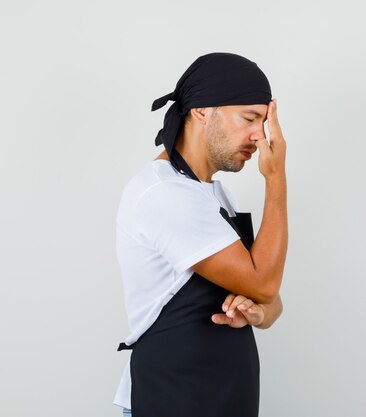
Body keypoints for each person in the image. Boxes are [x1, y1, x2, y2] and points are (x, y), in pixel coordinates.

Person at [112, 52, 288, 417]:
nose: (260, 136)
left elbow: (271, 301)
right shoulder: (166, 194)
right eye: (250, 118)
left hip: (220, 400)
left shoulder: (213, 194)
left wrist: (257, 313)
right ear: (201, 111)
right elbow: (265, 283)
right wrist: (275, 179)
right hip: (172, 399)